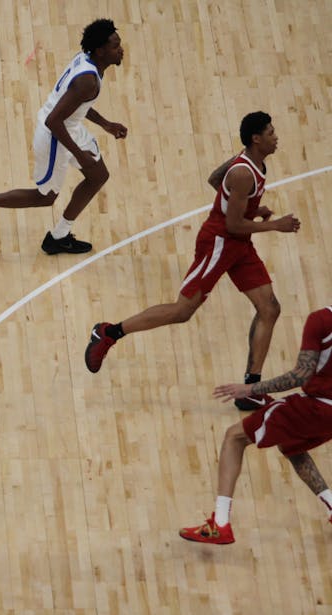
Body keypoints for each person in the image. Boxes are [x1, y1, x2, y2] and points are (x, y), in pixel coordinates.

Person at [84, 112, 301, 410]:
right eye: (271, 132)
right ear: (256, 138)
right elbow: (234, 224)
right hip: (220, 243)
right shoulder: (242, 173)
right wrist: (275, 225)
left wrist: (250, 206)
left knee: (270, 308)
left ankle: (250, 387)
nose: (276, 137)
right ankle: (108, 333)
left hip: (239, 245)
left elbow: (215, 180)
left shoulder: (251, 164)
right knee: (183, 310)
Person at [0, 18, 127, 255]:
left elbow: (76, 105)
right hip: (55, 135)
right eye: (115, 46)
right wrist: (79, 155)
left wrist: (106, 124)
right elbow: (55, 120)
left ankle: (60, 236)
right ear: (101, 50)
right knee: (45, 197)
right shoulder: (87, 80)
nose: (121, 49)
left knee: (98, 176)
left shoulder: (88, 64)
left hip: (69, 127)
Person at [179, 305, 332, 544]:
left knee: (234, 437)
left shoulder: (321, 320)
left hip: (317, 406)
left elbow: (300, 375)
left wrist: (251, 388)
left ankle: (220, 523)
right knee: (291, 444)